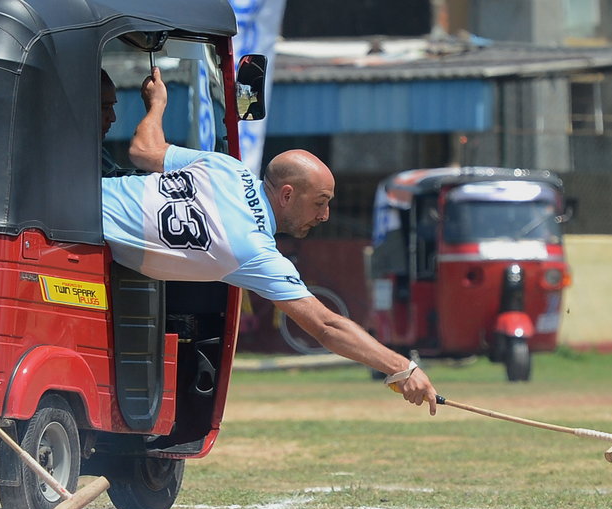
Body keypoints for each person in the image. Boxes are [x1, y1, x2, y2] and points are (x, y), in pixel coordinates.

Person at [101, 68, 438, 415]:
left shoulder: (226, 167)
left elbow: (143, 150)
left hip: (69, 207)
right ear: (287, 194)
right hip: (75, 230)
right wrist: (403, 367)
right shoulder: (254, 250)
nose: (324, 216)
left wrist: (156, 105)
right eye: (320, 203)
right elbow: (326, 326)